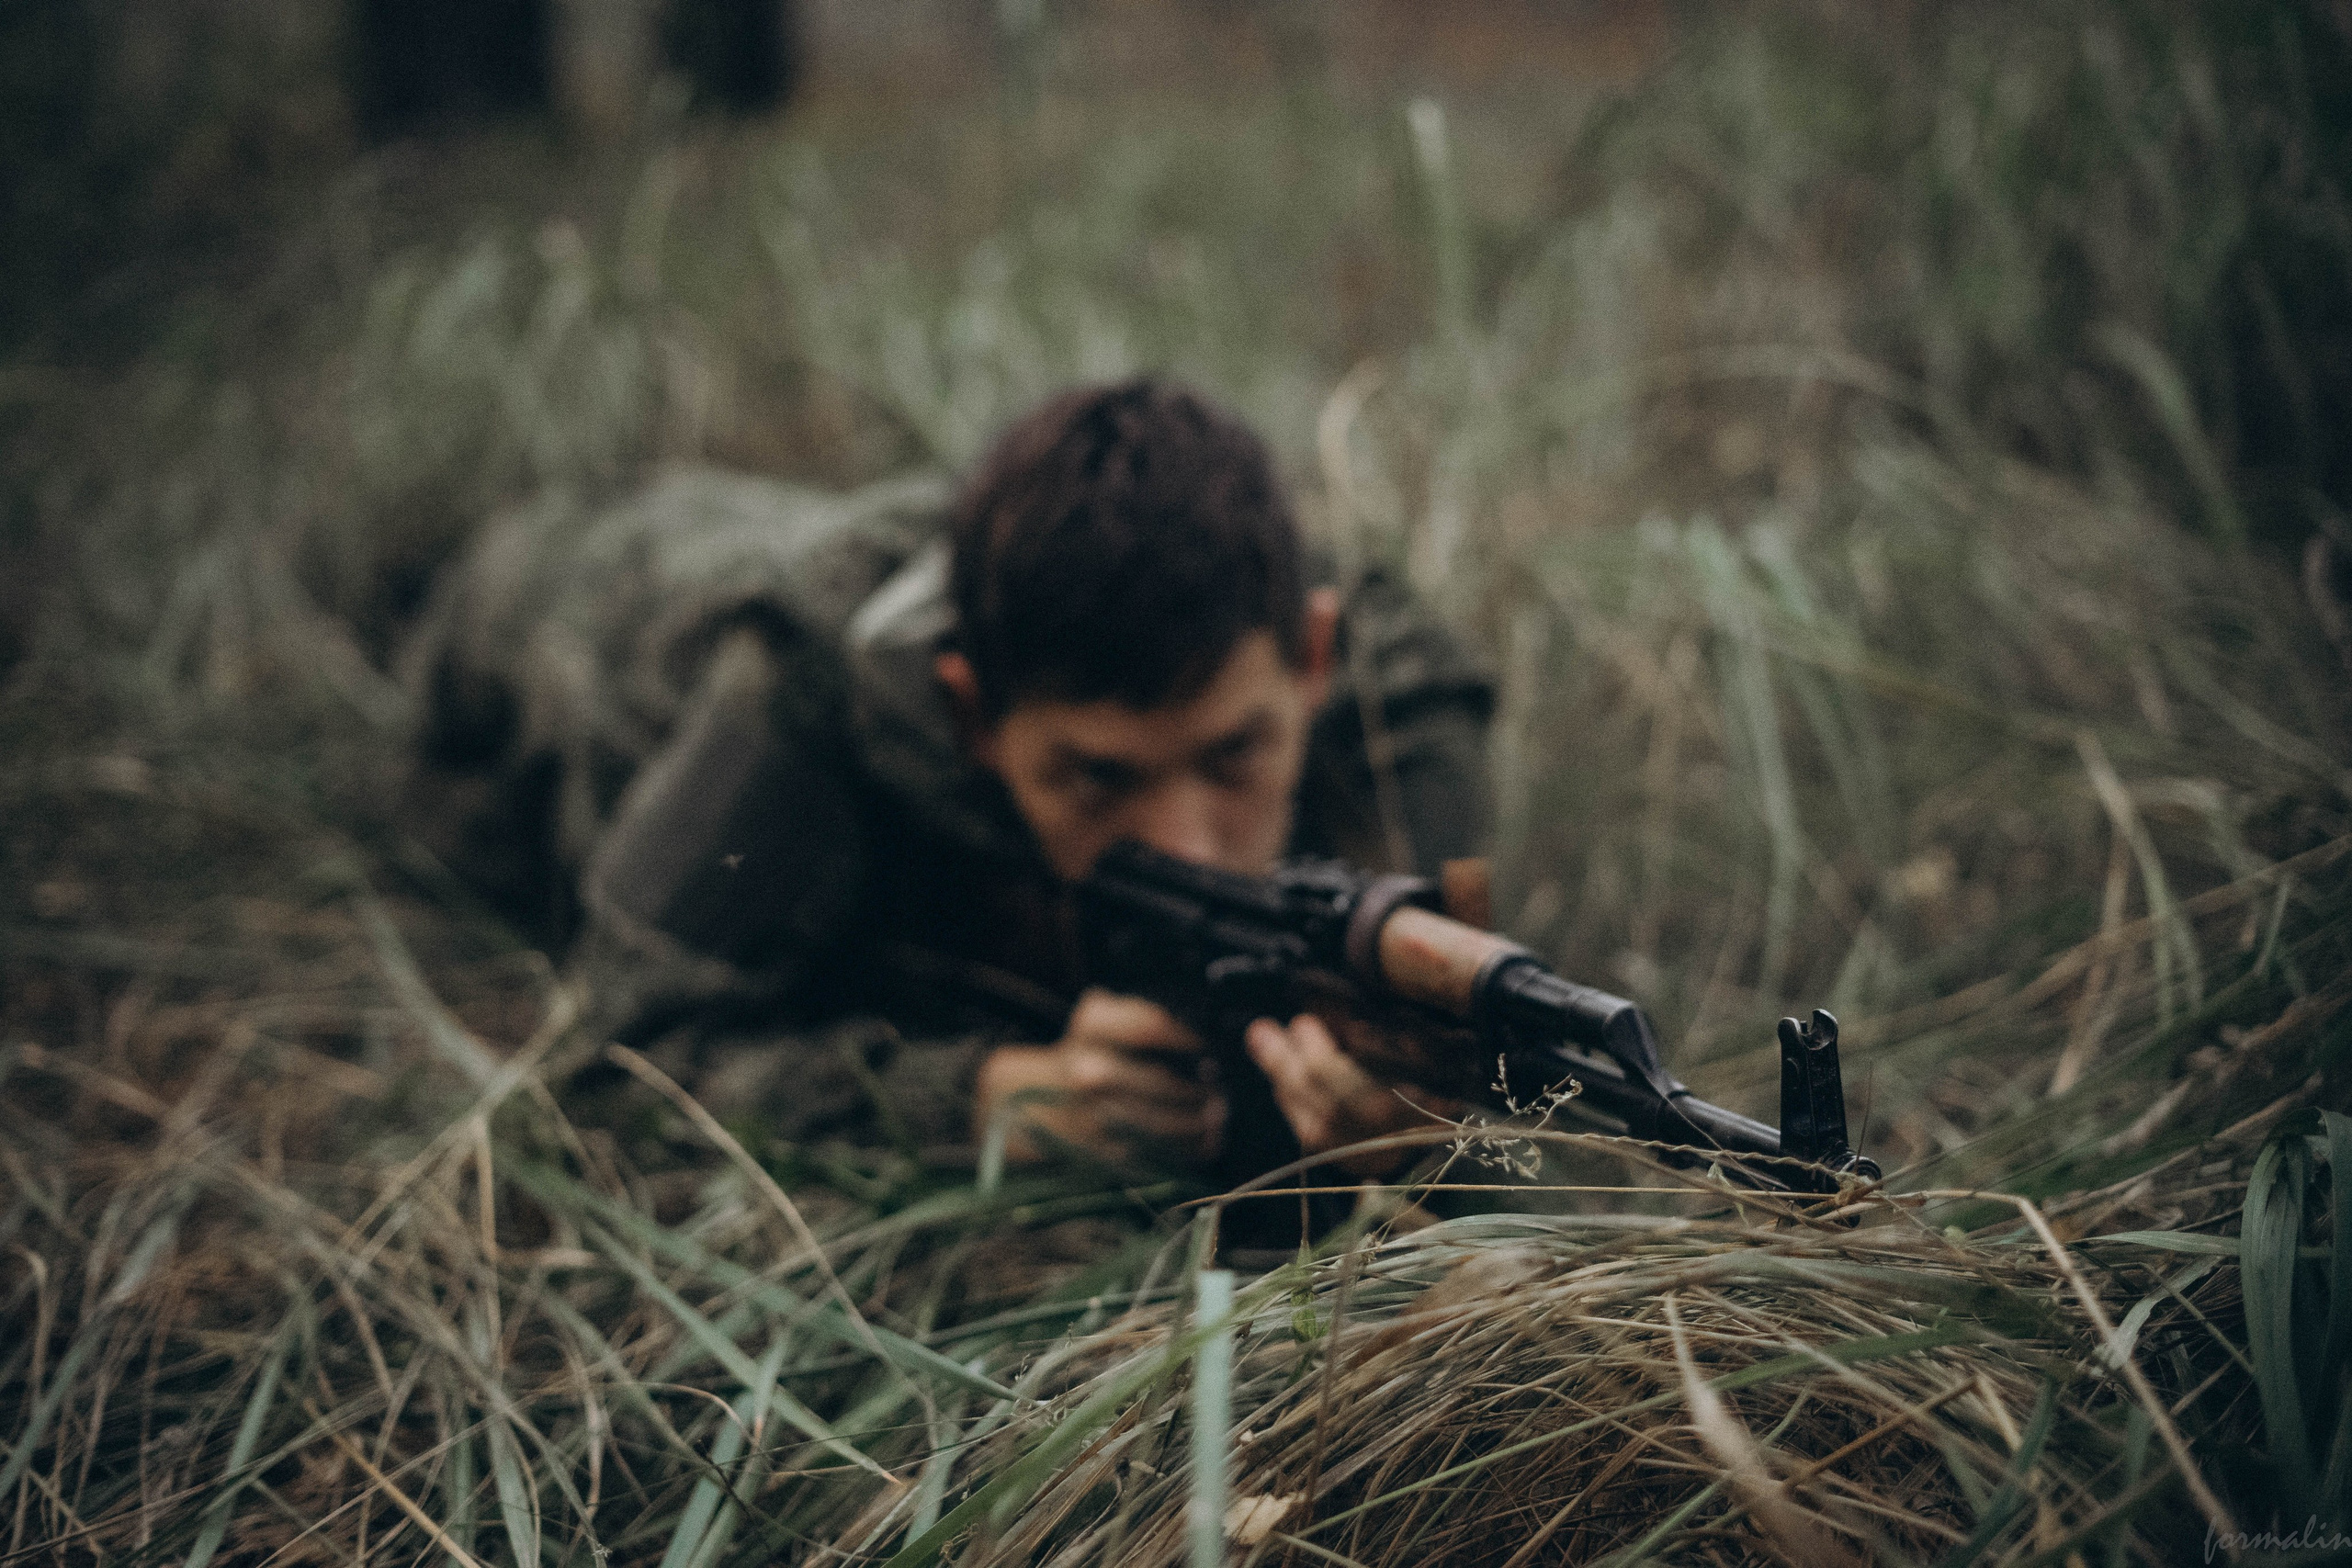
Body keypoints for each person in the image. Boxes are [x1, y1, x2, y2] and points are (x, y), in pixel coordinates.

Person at [399, 378, 1493, 1179]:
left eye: (1231, 758)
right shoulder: (804, 679)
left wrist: (1415, 1118)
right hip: (550, 606)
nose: (1187, 846)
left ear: (1309, 660)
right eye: (1096, 780)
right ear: (972, 715)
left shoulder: (1398, 705)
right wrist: (976, 1103)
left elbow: (1497, 1092)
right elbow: (615, 1071)